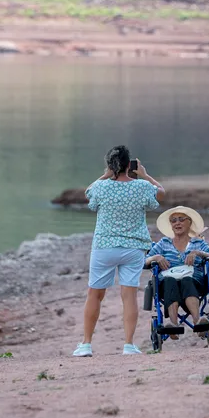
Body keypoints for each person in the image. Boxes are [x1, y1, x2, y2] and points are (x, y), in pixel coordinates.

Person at [73, 145, 165, 358]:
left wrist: (104, 176)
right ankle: (128, 345)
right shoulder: (142, 186)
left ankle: (86, 344)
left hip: (104, 247)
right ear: (128, 165)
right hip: (133, 248)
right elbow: (161, 193)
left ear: (110, 165)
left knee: (95, 294)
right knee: (129, 295)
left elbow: (88, 192)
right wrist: (146, 175)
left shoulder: (101, 187)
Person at [145, 206, 209, 334]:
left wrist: (198, 253)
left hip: (194, 283)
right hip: (167, 284)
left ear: (189, 222)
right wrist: (156, 257)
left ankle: (198, 323)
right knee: (169, 280)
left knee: (186, 280)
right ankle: (173, 325)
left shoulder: (198, 244)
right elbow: (143, 262)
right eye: (173, 220)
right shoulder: (163, 243)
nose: (177, 223)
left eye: (181, 219)